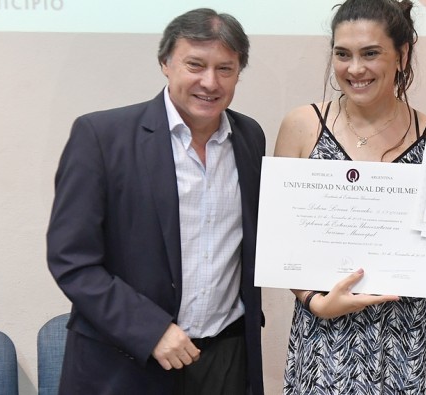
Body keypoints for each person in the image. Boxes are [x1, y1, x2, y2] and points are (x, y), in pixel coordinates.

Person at [46, 8, 265, 394]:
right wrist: (151, 331)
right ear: (165, 62)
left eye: (225, 69)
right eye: (194, 65)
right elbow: (72, 259)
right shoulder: (101, 136)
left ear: (239, 72)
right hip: (128, 361)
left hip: (227, 360)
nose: (209, 82)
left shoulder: (249, 138)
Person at [273, 0, 426, 393]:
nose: (354, 69)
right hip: (326, 339)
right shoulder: (302, 125)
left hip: (414, 342)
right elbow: (281, 246)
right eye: (343, 54)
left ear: (402, 55)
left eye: (370, 53)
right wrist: (314, 300)